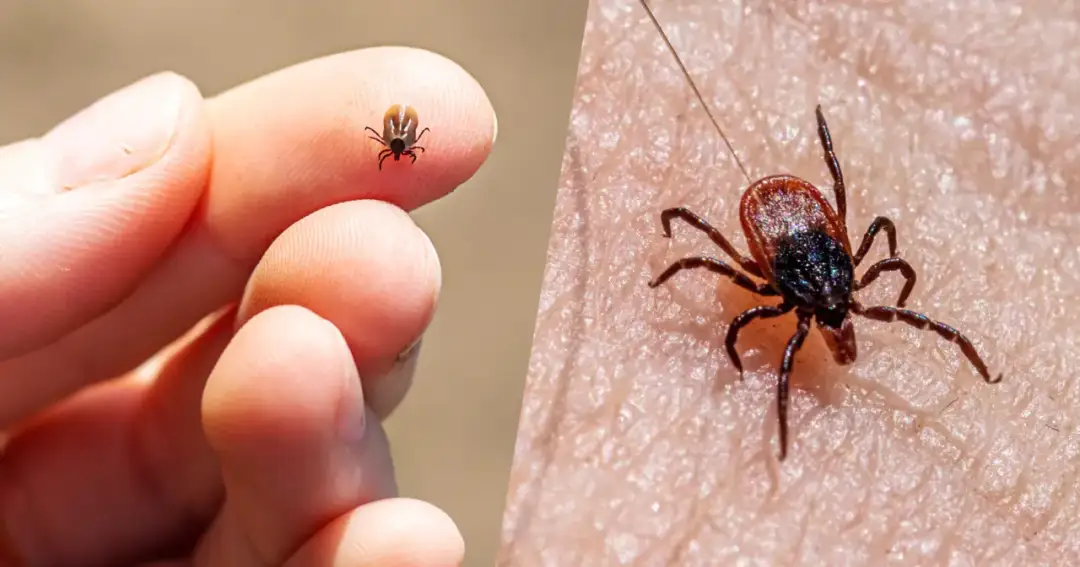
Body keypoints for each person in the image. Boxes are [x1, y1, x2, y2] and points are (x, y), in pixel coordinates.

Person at [501, 2, 1058, 564]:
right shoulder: (827, 285)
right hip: (785, 236)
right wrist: (690, 277)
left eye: (842, 313)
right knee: (733, 275)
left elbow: (864, 266)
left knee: (790, 295)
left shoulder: (837, 292)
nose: (843, 321)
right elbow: (772, 296)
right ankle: (784, 445)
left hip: (788, 236)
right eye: (840, 316)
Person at [0, 46, 495, 565]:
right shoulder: (400, 136)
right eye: (396, 147)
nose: (396, 148)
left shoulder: (391, 135)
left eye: (397, 148)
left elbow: (387, 133)